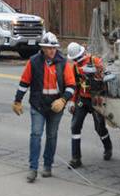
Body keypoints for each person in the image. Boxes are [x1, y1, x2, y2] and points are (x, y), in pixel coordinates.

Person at [13, 31, 75, 183]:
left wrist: (63, 100)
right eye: (48, 48)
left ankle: (48, 166)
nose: (52, 51)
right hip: (38, 105)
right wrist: (17, 101)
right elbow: (24, 82)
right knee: (36, 134)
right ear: (43, 48)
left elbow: (71, 86)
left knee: (52, 136)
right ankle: (33, 168)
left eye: (54, 48)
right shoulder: (34, 62)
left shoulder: (63, 63)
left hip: (56, 107)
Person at [65, 42, 112, 168]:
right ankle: (76, 158)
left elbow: (106, 77)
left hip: (96, 99)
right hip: (82, 100)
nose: (78, 61)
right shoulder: (74, 67)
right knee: (75, 127)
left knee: (100, 127)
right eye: (75, 60)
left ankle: (108, 148)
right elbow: (74, 85)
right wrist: (72, 101)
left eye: (78, 59)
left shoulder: (95, 61)